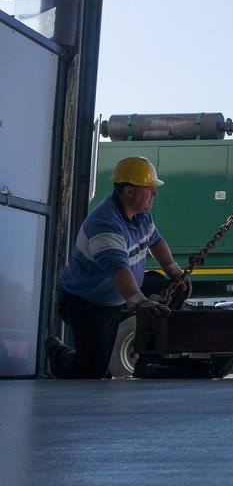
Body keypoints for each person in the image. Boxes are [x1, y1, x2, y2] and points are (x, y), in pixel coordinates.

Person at [46, 156, 191, 378]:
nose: (155, 193)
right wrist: (140, 302)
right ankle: (56, 354)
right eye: (149, 188)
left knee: (177, 287)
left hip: (118, 293)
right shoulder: (105, 224)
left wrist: (175, 272)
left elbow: (156, 241)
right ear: (128, 191)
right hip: (87, 302)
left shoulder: (141, 215)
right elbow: (118, 270)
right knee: (91, 370)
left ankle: (149, 360)